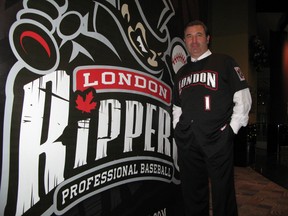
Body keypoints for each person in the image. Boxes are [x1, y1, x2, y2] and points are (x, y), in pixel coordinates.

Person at [172, 20, 252, 216]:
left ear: (208, 38)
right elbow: (176, 106)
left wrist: (231, 130)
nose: (194, 40)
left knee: (222, 193)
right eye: (189, 36)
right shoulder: (181, 72)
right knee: (192, 192)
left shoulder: (224, 62)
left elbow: (243, 98)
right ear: (185, 41)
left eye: (199, 35)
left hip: (217, 140)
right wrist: (178, 129)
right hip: (188, 141)